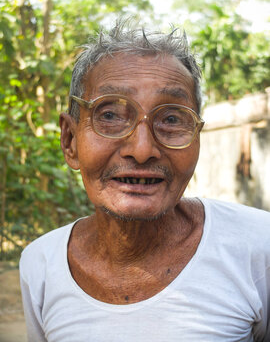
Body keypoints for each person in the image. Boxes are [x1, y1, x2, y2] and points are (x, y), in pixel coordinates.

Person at [20, 20, 270, 342]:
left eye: (171, 119)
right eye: (109, 115)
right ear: (70, 141)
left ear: (197, 138)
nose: (142, 150)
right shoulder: (40, 265)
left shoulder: (258, 246)